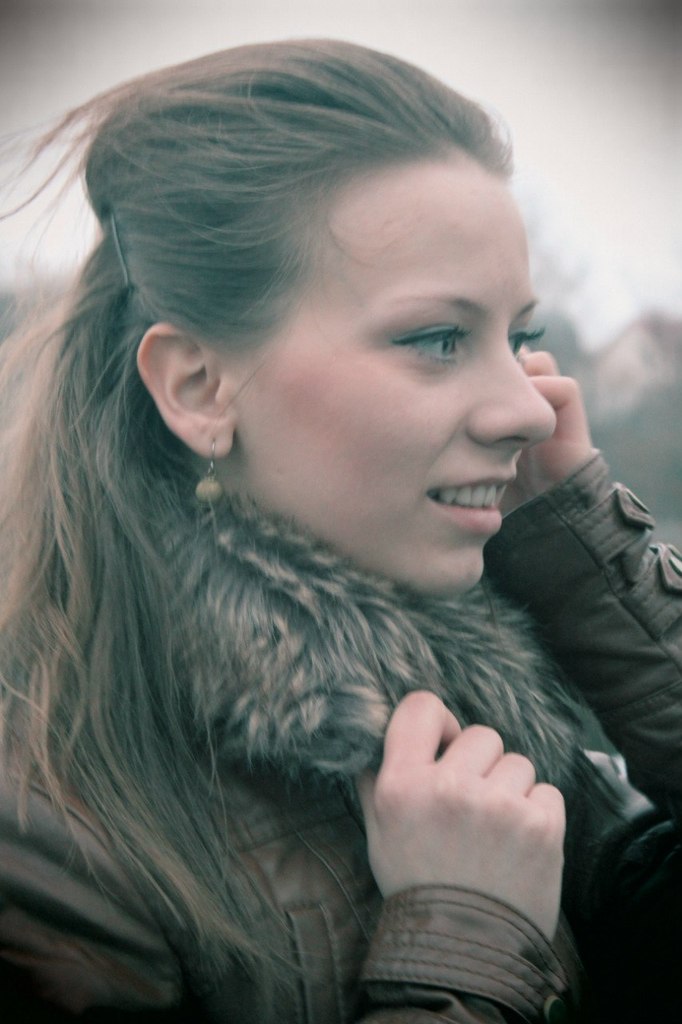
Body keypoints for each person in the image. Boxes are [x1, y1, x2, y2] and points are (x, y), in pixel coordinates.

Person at [1, 39, 681, 1024]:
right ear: (199, 387)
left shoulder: (482, 696)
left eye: (519, 338)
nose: (533, 409)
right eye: (437, 339)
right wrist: (464, 939)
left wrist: (589, 566)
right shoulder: (44, 847)